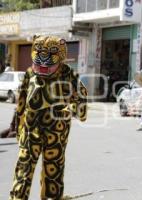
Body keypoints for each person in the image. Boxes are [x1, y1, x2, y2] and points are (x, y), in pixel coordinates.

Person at [9, 35, 88, 200]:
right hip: (30, 130)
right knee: (24, 167)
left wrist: (73, 109)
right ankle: (18, 197)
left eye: (51, 52)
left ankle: (51, 196)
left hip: (57, 131)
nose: (43, 57)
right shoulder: (30, 73)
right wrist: (17, 124)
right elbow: (21, 101)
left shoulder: (68, 74)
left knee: (54, 167)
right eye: (38, 51)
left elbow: (80, 96)